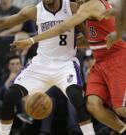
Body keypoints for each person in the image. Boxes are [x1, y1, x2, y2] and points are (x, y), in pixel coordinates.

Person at [0, 0, 96, 135]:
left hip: (65, 63)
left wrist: (85, 38)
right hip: (41, 63)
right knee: (10, 96)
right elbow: (3, 22)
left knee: (77, 98)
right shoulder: (35, 11)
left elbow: (89, 34)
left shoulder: (72, 7)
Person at [11, 0, 126, 134]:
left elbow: (63, 27)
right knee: (93, 105)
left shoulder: (92, 5)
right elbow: (90, 40)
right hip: (100, 61)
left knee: (121, 109)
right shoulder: (86, 8)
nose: (75, 1)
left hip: (116, 59)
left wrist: (32, 40)